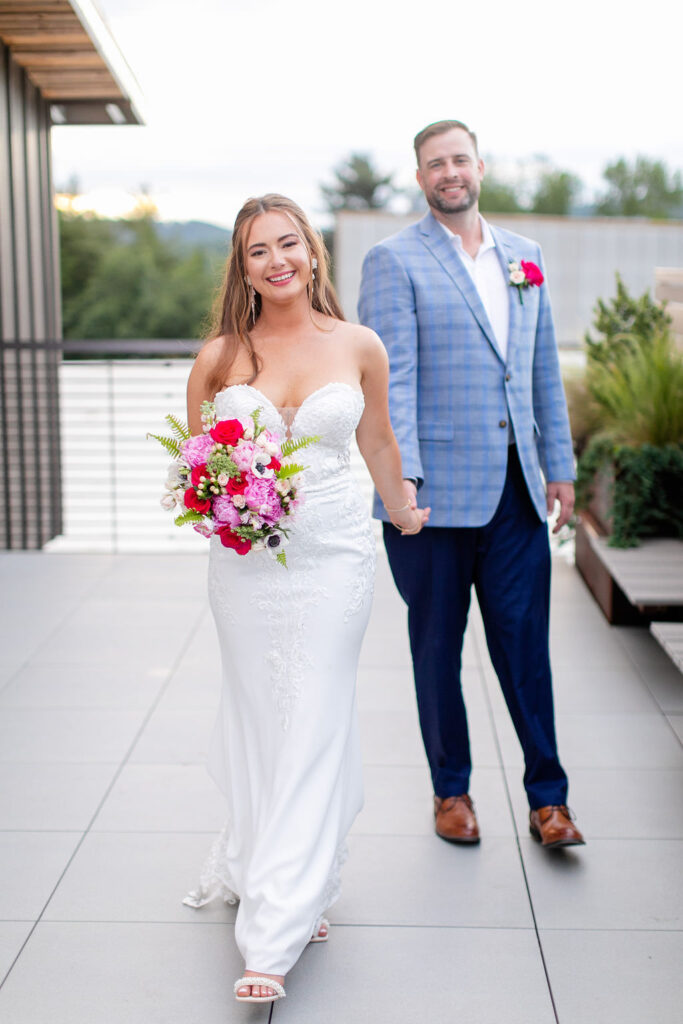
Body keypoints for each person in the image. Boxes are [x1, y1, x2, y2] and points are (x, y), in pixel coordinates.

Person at [182, 194, 429, 1004]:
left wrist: (401, 509)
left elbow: (379, 440)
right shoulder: (221, 354)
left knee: (314, 712)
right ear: (242, 266)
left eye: (288, 243)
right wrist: (221, 503)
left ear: (312, 253)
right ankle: (291, 873)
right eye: (259, 250)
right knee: (263, 715)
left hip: (333, 558)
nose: (277, 259)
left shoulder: (357, 344)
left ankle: (272, 932)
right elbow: (195, 467)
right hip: (246, 566)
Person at [358, 120, 585, 851]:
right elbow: (393, 384)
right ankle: (450, 792)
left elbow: (540, 366)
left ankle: (548, 800)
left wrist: (559, 465)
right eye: (434, 164)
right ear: (419, 178)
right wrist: (404, 485)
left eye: (459, 159)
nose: (449, 172)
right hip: (429, 502)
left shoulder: (525, 257)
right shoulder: (393, 261)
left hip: (517, 491)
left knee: (525, 648)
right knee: (436, 649)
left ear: (478, 166)